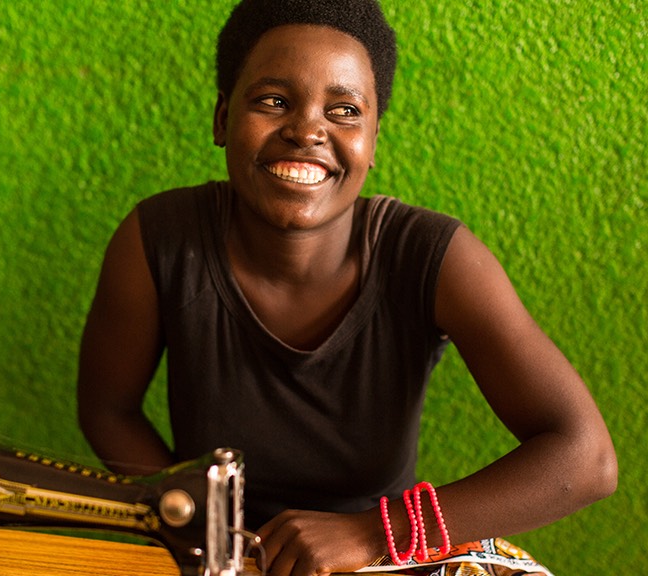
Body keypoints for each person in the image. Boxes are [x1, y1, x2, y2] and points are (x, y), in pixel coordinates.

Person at [77, 1, 617, 574]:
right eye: (273, 101)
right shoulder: (158, 239)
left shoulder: (433, 257)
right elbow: (108, 409)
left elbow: (586, 458)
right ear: (221, 118)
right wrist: (202, 530)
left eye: (344, 110)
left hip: (383, 557)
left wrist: (369, 535)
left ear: (373, 142)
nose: (308, 129)